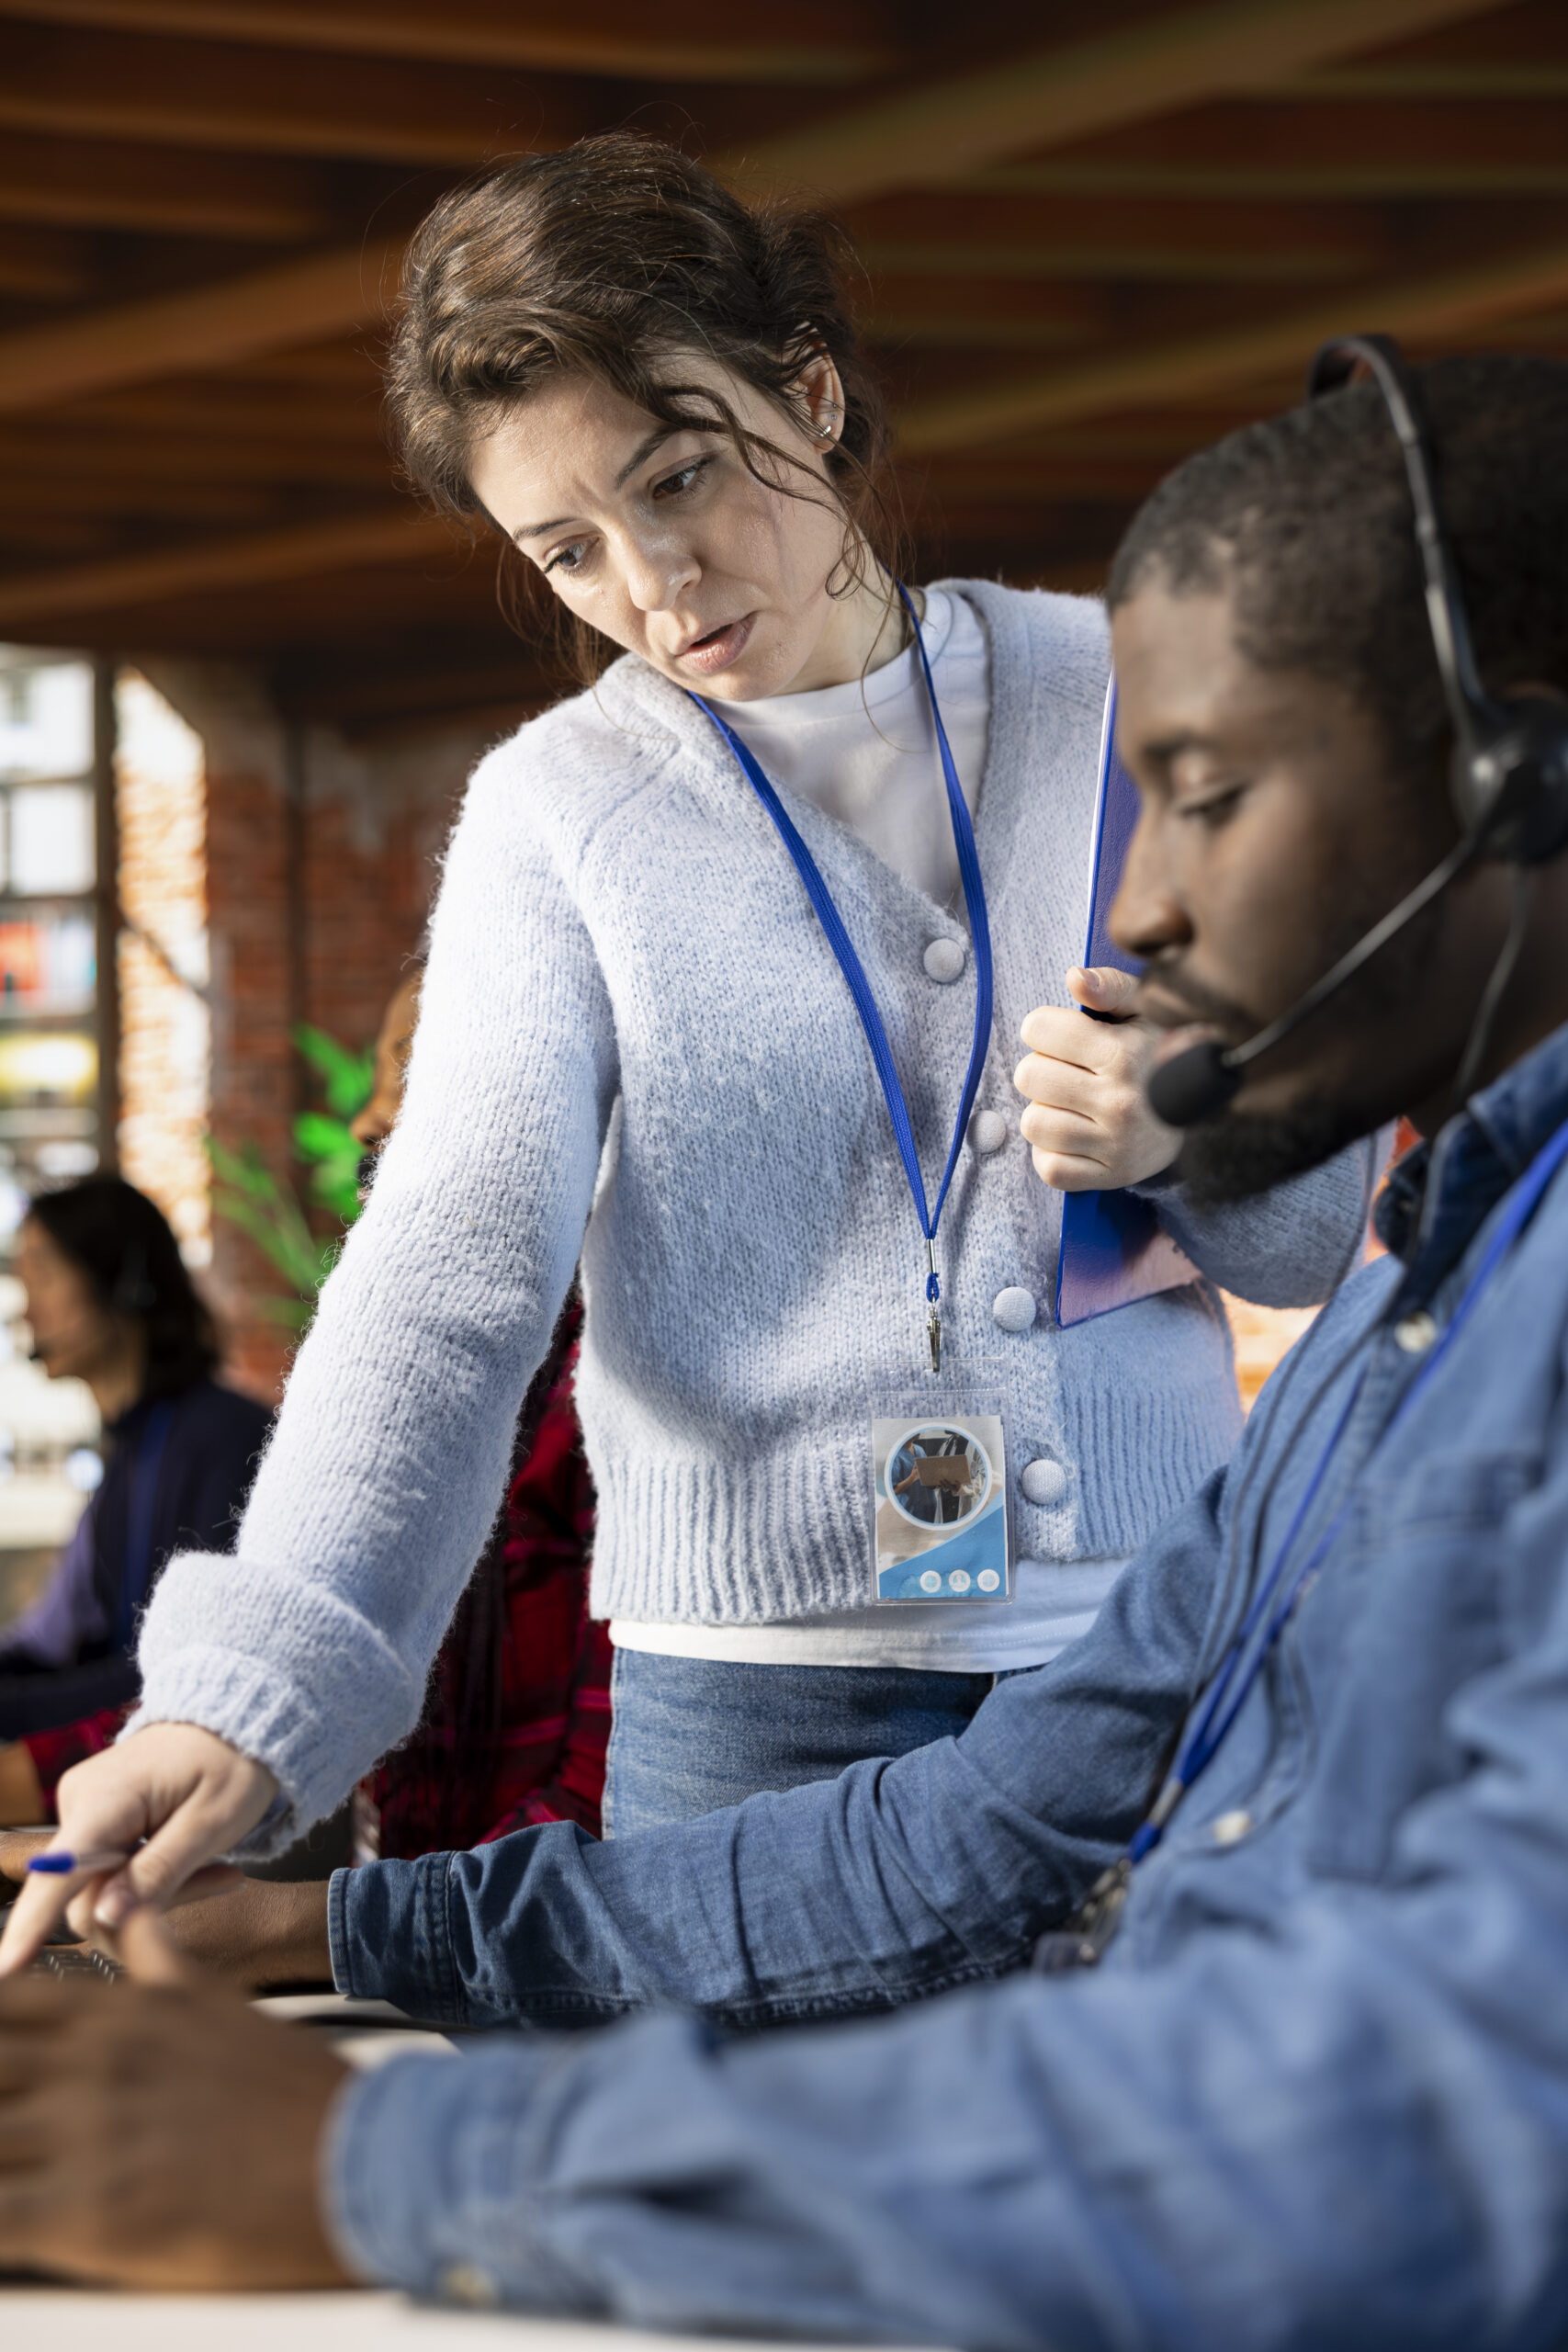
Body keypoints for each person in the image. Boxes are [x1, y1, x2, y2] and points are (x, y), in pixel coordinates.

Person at [2, 343, 1565, 2341]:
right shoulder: (1412, 1320)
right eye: (563, 546)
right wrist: (312, 1883)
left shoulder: (1460, 1309)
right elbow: (955, 1841)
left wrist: (391, 2162)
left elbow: (1407, 2110)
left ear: (1514, 779)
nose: (1141, 907)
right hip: (776, 1707)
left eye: (1200, 798)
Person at [0, 131, 1382, 1950]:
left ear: (809, 394)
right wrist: (240, 1702)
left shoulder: (1126, 700)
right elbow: (443, 1282)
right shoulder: (562, 814)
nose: (653, 585)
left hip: (1147, 1660)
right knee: (728, 2145)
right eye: (565, 549)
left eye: (680, 478)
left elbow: (1311, 1234)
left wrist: (1189, 1128)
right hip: (752, 1712)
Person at [350, 970, 609, 1855]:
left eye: (406, 1068)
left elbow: (600, 1801)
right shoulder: (407, 1360)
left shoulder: (597, 1394)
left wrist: (349, 1922)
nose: (364, 1122)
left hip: (496, 1923)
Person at [0, 1179, 270, 1827]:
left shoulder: (222, 1440)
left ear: (125, 1281)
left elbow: (179, 1673)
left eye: (43, 1271)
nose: (25, 1304)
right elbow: (62, 1642)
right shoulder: (133, 1453)